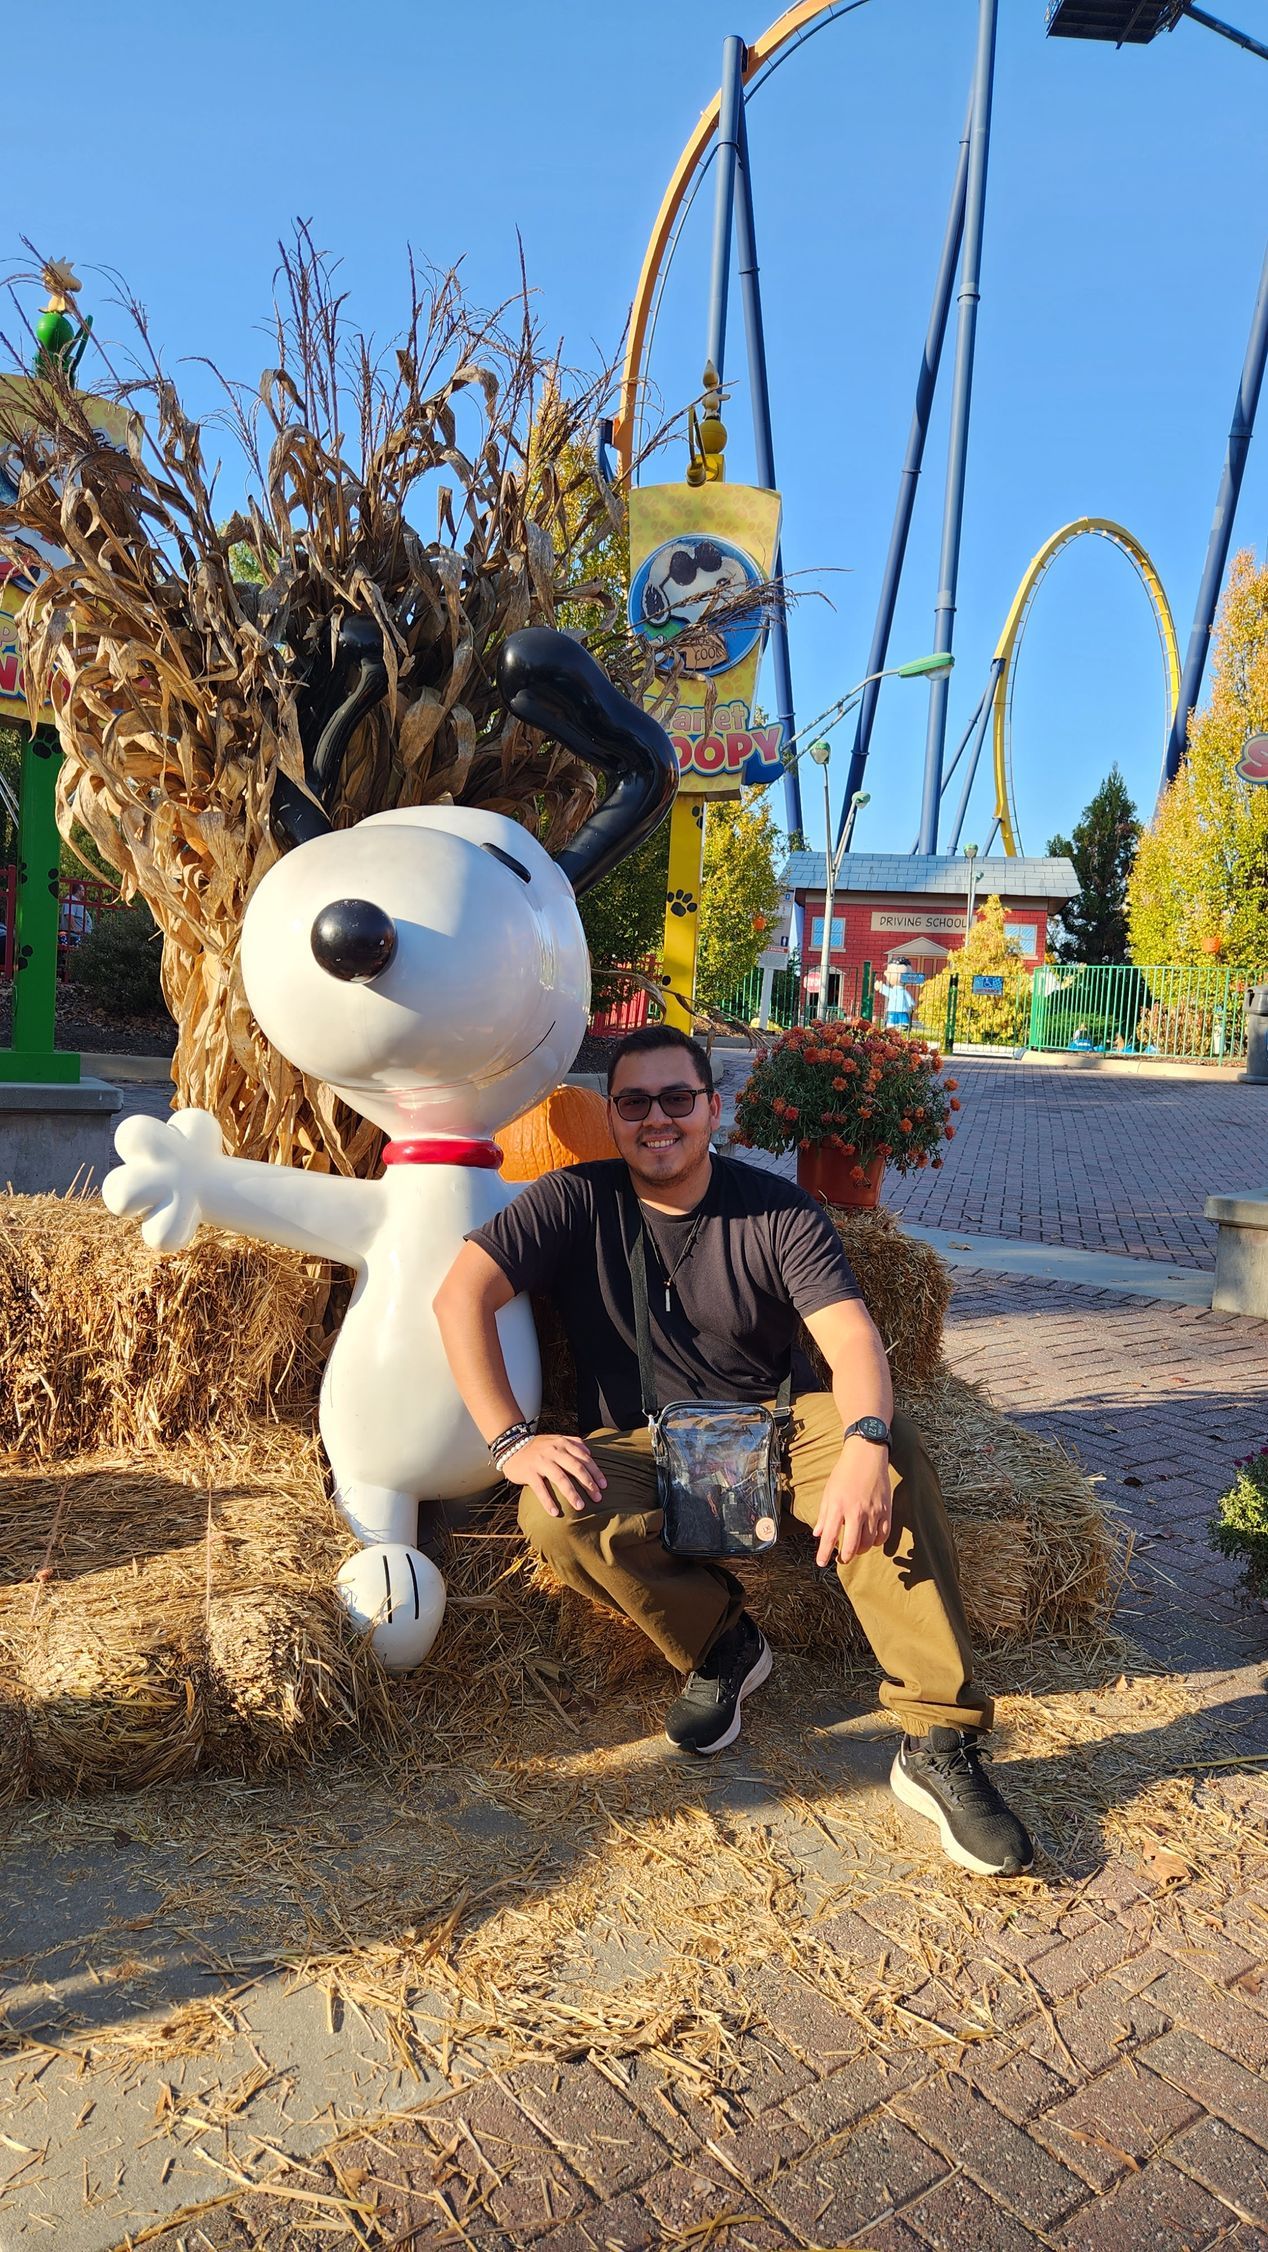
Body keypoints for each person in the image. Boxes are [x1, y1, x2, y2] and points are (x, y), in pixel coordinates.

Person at [433, 1025, 1034, 1879]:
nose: (657, 1120)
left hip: (775, 1426)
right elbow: (460, 1296)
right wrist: (511, 1439)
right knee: (555, 1513)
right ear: (613, 1116)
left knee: (891, 1459)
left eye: (678, 1098)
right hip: (639, 1440)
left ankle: (937, 1740)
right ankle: (723, 1647)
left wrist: (863, 1443)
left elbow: (855, 1342)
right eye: (635, 1103)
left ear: (713, 1108)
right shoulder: (573, 1199)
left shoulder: (779, 1210)